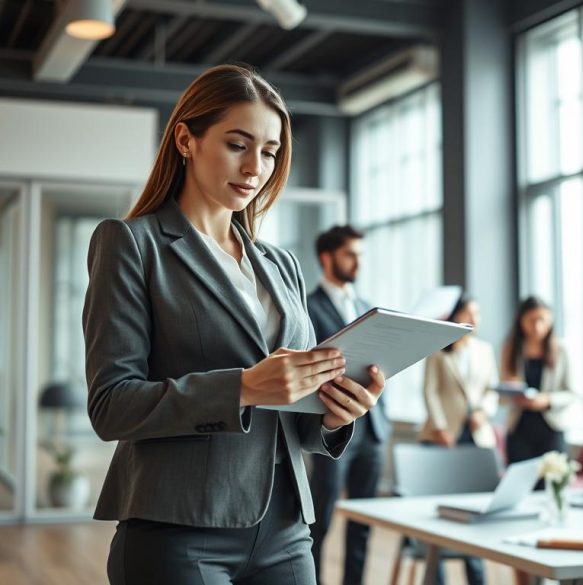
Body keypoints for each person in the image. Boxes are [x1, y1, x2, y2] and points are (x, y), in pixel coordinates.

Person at [82, 64, 386, 585]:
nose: (255, 168)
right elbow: (112, 406)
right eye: (237, 144)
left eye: (269, 152)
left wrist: (336, 413)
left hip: (287, 528)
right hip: (178, 529)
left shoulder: (281, 264)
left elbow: (299, 416)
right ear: (186, 139)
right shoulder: (132, 244)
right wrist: (244, 387)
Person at [306, 225, 391, 585]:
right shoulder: (306, 307)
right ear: (327, 257)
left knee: (362, 525)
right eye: (350, 254)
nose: (357, 262)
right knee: (320, 521)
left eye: (360, 254)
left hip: (373, 430)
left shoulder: (366, 306)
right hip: (334, 428)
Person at [417, 295, 496, 585]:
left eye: (478, 313)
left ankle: (477, 578)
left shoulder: (485, 350)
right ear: (454, 316)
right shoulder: (438, 350)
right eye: (468, 313)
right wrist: (439, 427)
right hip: (442, 437)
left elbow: (492, 390)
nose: (474, 319)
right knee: (435, 513)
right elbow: (430, 391)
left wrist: (484, 413)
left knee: (474, 512)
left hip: (475, 435)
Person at [500, 296, 576, 464]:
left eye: (542, 320)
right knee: (520, 480)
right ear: (521, 320)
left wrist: (546, 400)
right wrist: (512, 390)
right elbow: (502, 397)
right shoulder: (510, 350)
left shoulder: (561, 349)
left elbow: (572, 393)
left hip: (551, 427)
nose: (537, 326)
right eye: (531, 320)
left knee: (551, 481)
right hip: (519, 428)